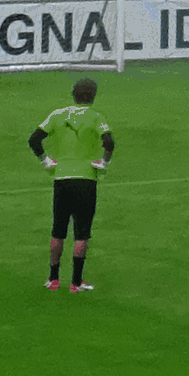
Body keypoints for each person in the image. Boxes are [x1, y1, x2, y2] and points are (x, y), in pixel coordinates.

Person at [33, 75, 117, 289]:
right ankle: (76, 282)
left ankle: (53, 279)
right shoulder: (96, 117)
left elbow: (34, 139)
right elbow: (109, 142)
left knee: (58, 230)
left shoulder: (57, 115)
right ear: (93, 97)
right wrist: (104, 162)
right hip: (86, 180)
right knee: (81, 233)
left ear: (73, 95)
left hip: (62, 179)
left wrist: (46, 160)